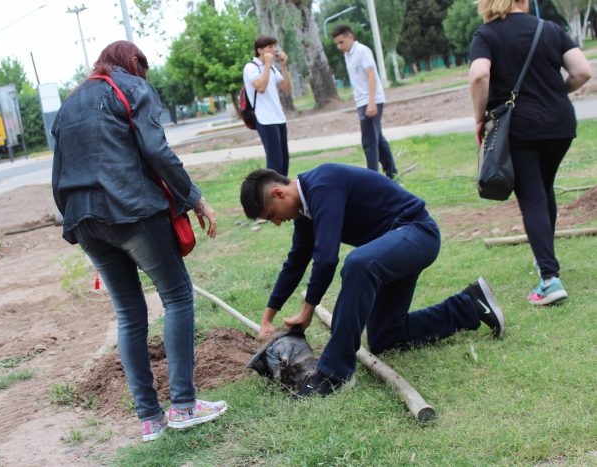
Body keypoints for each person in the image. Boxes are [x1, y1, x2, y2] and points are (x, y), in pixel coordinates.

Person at [51, 41, 227, 442]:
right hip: (132, 211)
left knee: (130, 314)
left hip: (84, 220)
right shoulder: (131, 87)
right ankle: (183, 406)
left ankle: (150, 420)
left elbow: (59, 169)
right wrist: (195, 197)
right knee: (178, 296)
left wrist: (74, 222)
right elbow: (156, 150)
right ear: (134, 64)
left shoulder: (70, 103)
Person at [240, 164, 505, 397]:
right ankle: (469, 305)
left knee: (358, 264)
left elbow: (327, 258)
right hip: (391, 248)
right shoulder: (306, 212)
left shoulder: (323, 184)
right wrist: (267, 318)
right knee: (384, 337)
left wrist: (306, 312)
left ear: (279, 194)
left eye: (272, 215)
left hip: (416, 233)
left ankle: (334, 374)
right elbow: (296, 262)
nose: (277, 222)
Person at [469, 0, 592, 305]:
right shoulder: (548, 28)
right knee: (543, 188)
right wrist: (553, 92)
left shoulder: (486, 35)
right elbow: (583, 71)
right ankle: (544, 259)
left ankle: (550, 280)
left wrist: (479, 118)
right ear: (523, 1)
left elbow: (479, 75)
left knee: (532, 195)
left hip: (520, 128)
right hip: (560, 124)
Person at [332, 25, 397, 179]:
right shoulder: (348, 54)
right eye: (337, 43)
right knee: (377, 138)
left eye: (341, 42)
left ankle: (372, 179)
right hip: (363, 102)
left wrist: (372, 102)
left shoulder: (362, 51)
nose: (338, 46)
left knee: (369, 142)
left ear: (350, 37)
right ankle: (391, 172)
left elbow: (371, 76)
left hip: (371, 101)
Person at [243, 35, 292, 176]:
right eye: (270, 47)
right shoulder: (250, 68)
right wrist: (268, 65)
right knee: (275, 161)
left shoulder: (271, 69)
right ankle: (271, 194)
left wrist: (284, 66)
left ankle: (283, 192)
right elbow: (261, 87)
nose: (273, 50)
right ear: (260, 50)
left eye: (274, 46)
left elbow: (287, 88)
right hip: (265, 119)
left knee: (284, 160)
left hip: (279, 118)